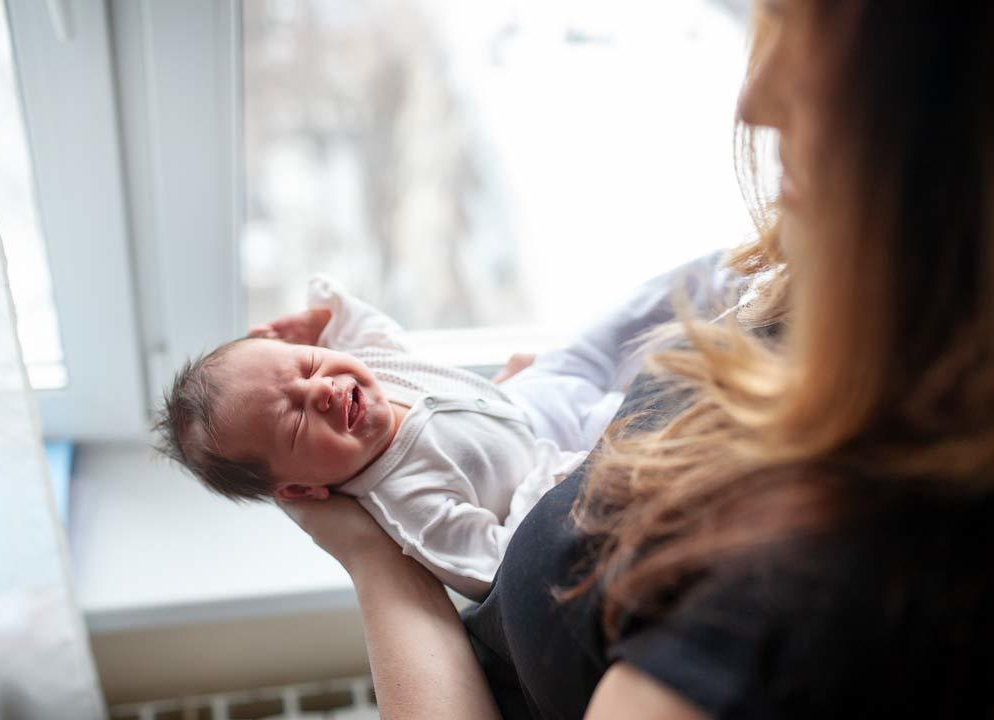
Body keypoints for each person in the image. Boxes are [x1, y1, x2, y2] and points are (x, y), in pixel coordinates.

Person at [277, 1, 994, 718]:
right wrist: (516, 420)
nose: (755, 98)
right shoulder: (849, 288)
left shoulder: (783, 611)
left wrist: (376, 559)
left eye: (821, 43)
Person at [154, 268, 732, 599]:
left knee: (628, 319)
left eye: (306, 366)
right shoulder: (407, 502)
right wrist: (546, 483)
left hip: (533, 393)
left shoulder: (374, 373)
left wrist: (327, 318)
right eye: (296, 419)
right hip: (564, 456)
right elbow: (493, 567)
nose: (322, 390)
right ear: (301, 491)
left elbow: (374, 334)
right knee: (670, 412)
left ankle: (732, 273)